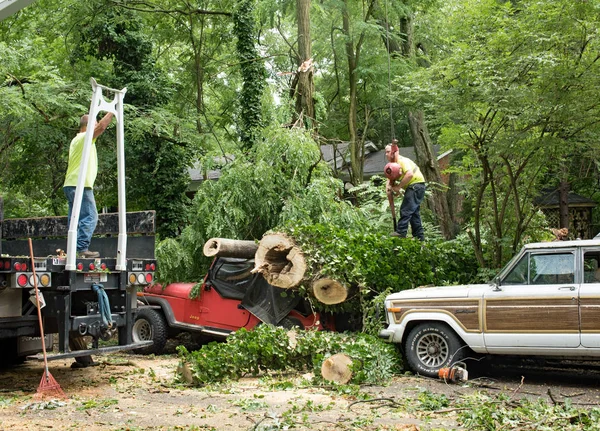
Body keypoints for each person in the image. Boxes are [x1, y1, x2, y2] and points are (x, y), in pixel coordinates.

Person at [63, 112, 114, 259]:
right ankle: (82, 248)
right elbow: (102, 127)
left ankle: (73, 249)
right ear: (89, 125)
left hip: (71, 184)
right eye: (94, 123)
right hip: (80, 185)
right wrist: (113, 110)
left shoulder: (76, 140)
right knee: (91, 216)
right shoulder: (84, 138)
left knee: (75, 220)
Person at [384, 143, 426, 241]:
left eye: (388, 151)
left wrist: (398, 187)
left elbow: (410, 174)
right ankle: (419, 238)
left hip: (416, 185)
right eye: (385, 152)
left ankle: (401, 231)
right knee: (414, 215)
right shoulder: (394, 165)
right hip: (416, 186)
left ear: (394, 152)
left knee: (406, 209)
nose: (386, 154)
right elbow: (390, 183)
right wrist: (394, 189)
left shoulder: (401, 161)